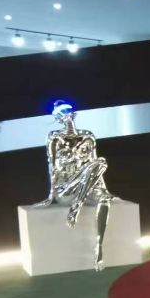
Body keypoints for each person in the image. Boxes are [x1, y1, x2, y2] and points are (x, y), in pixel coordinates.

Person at [35, 100, 118, 271]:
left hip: (87, 183)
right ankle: (76, 207)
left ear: (74, 113)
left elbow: (94, 166)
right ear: (58, 118)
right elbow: (52, 166)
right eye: (61, 112)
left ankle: (99, 247)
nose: (66, 114)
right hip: (66, 185)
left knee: (101, 165)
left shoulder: (88, 136)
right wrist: (51, 196)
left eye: (67, 110)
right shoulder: (55, 137)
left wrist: (103, 190)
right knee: (98, 164)